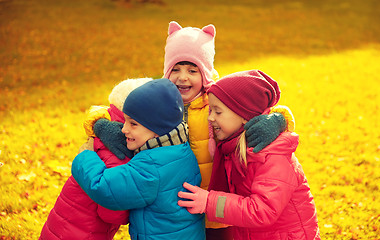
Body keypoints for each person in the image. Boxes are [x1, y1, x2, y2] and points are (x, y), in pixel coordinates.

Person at [82, 21, 292, 240]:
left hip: (217, 207)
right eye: (176, 69)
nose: (183, 77)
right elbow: (108, 110)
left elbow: (258, 108)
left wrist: (278, 120)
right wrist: (100, 124)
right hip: (173, 208)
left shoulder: (218, 102)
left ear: (206, 73)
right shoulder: (155, 101)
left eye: (193, 70)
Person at [177, 70, 321, 240]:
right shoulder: (232, 147)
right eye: (210, 111)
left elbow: (263, 211)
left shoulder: (271, 155)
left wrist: (210, 202)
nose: (210, 118)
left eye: (218, 112)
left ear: (244, 116)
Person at [71, 78, 205, 240]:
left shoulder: (151, 166)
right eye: (125, 121)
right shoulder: (181, 148)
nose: (124, 129)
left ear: (157, 128)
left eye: (133, 124)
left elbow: (103, 188)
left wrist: (84, 156)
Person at [39, 78, 153, 240]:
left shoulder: (105, 132)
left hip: (65, 221)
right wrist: (134, 214)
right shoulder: (119, 150)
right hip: (85, 231)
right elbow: (111, 211)